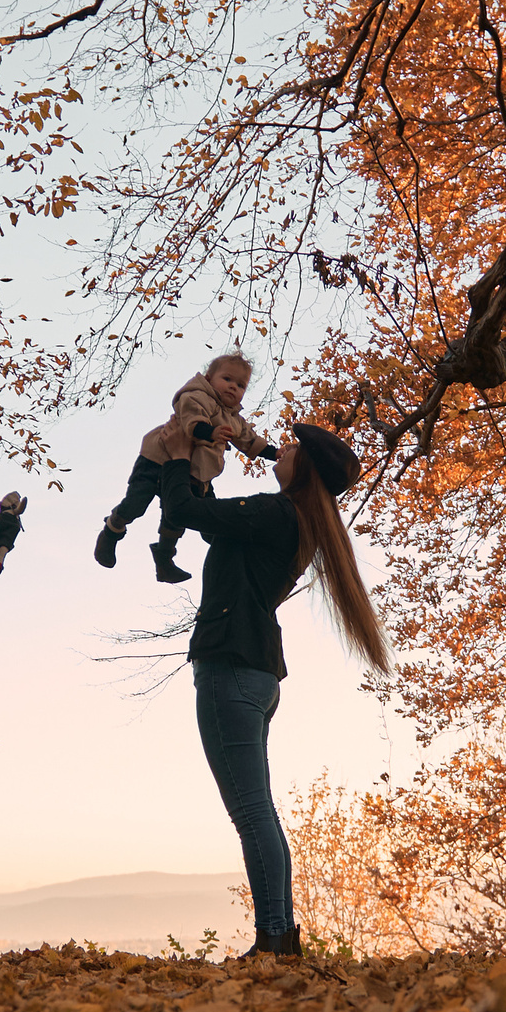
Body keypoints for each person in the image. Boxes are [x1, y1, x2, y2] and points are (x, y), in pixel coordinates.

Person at [158, 421, 390, 957]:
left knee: (251, 813)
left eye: (291, 447)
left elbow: (189, 516)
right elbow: (217, 525)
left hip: (230, 667)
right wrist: (201, 471)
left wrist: (173, 461)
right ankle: (278, 936)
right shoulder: (297, 521)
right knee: (258, 809)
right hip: (257, 673)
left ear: (303, 465)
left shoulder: (276, 511)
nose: (279, 451)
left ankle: (274, 943)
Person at [94, 353, 274, 583]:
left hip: (191, 473)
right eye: (227, 379)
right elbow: (192, 421)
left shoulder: (235, 420)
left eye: (240, 385)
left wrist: (276, 453)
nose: (233, 387)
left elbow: (250, 441)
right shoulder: (196, 396)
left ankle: (165, 559)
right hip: (157, 460)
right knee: (136, 504)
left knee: (176, 516)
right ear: (209, 379)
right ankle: (112, 530)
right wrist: (211, 433)